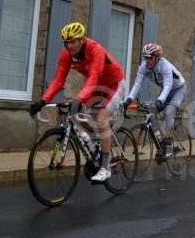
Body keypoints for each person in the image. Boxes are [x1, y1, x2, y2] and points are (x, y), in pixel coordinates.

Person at [30, 22, 126, 182]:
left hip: (114, 84)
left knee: (102, 119)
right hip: (95, 86)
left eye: (73, 41)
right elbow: (58, 80)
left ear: (82, 40)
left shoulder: (95, 49)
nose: (69, 45)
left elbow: (94, 76)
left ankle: (105, 167)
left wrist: (78, 98)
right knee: (78, 114)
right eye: (66, 42)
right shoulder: (65, 55)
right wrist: (43, 100)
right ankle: (95, 143)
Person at [124, 43, 186, 160]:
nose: (147, 61)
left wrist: (160, 100)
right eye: (145, 57)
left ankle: (168, 145)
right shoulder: (143, 67)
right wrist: (129, 99)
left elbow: (168, 85)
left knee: (169, 111)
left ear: (157, 57)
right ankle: (162, 140)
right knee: (151, 112)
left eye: (149, 58)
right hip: (166, 92)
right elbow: (137, 84)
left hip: (179, 90)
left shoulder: (165, 66)